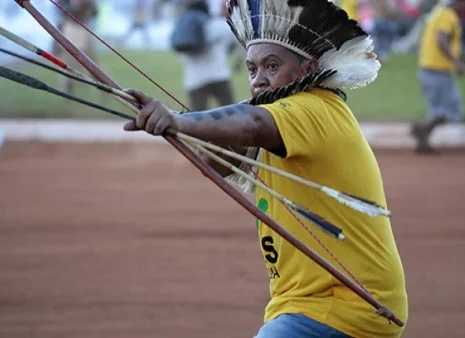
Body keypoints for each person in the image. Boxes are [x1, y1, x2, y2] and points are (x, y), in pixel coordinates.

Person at [122, 0, 409, 337]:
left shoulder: (314, 107)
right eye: (252, 69)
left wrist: (178, 120)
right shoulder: (273, 113)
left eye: (272, 66)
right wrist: (175, 127)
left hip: (344, 305)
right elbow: (216, 162)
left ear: (308, 68)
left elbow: (251, 125)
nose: (258, 80)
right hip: (302, 304)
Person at [411, 0, 465, 154]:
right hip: (437, 70)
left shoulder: (438, 12)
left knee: (445, 109)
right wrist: (456, 62)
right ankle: (421, 130)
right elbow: (441, 39)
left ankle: (423, 138)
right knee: (447, 110)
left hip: (431, 68)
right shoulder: (448, 16)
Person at [171, 0, 236, 110]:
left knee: (196, 119)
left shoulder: (182, 27)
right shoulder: (215, 25)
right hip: (218, 74)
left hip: (194, 79)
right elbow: (233, 36)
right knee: (231, 111)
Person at [55, 0, 98, 95]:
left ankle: (104, 86)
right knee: (68, 61)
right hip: (70, 28)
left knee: (91, 61)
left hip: (83, 27)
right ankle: (67, 89)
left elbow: (95, 12)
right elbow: (61, 9)